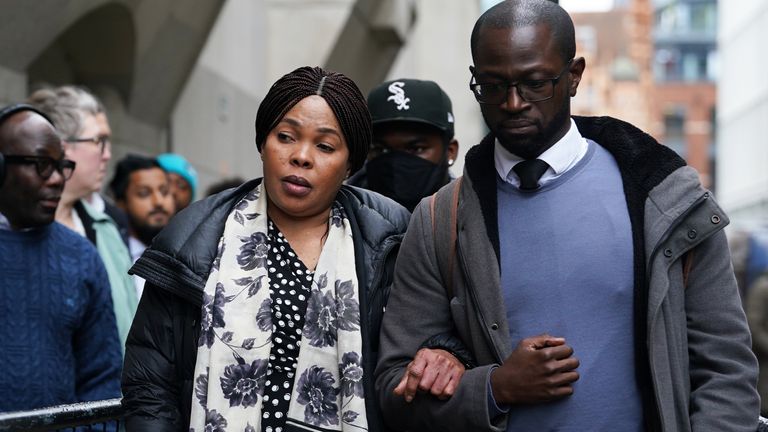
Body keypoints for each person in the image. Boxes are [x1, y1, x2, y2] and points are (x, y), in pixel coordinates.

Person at [375, 1, 760, 431]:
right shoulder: (438, 221)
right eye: (492, 85)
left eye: (535, 83)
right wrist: (494, 388)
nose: (513, 102)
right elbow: (394, 388)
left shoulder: (666, 200)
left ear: (574, 76)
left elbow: (725, 371)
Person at [121, 66, 466, 432]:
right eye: (285, 137)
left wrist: (447, 353)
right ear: (262, 143)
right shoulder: (196, 235)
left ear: (350, 163)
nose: (301, 156)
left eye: (324, 145)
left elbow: (433, 334)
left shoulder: (392, 235)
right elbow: (149, 382)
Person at [0, 104, 122, 411]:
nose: (57, 179)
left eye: (60, 166)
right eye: (41, 164)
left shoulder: (82, 257)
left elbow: (103, 379)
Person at [29, 85, 138, 353]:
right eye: (98, 141)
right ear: (60, 147)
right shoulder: (17, 228)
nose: (107, 154)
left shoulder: (107, 228)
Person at [347, 78, 459, 211]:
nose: (396, 163)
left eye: (416, 148)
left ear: (450, 151)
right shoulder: (338, 220)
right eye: (381, 149)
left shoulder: (474, 218)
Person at [109, 154, 175, 299]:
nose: (159, 201)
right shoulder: (110, 257)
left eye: (164, 191)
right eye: (144, 193)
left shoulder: (185, 253)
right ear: (121, 203)